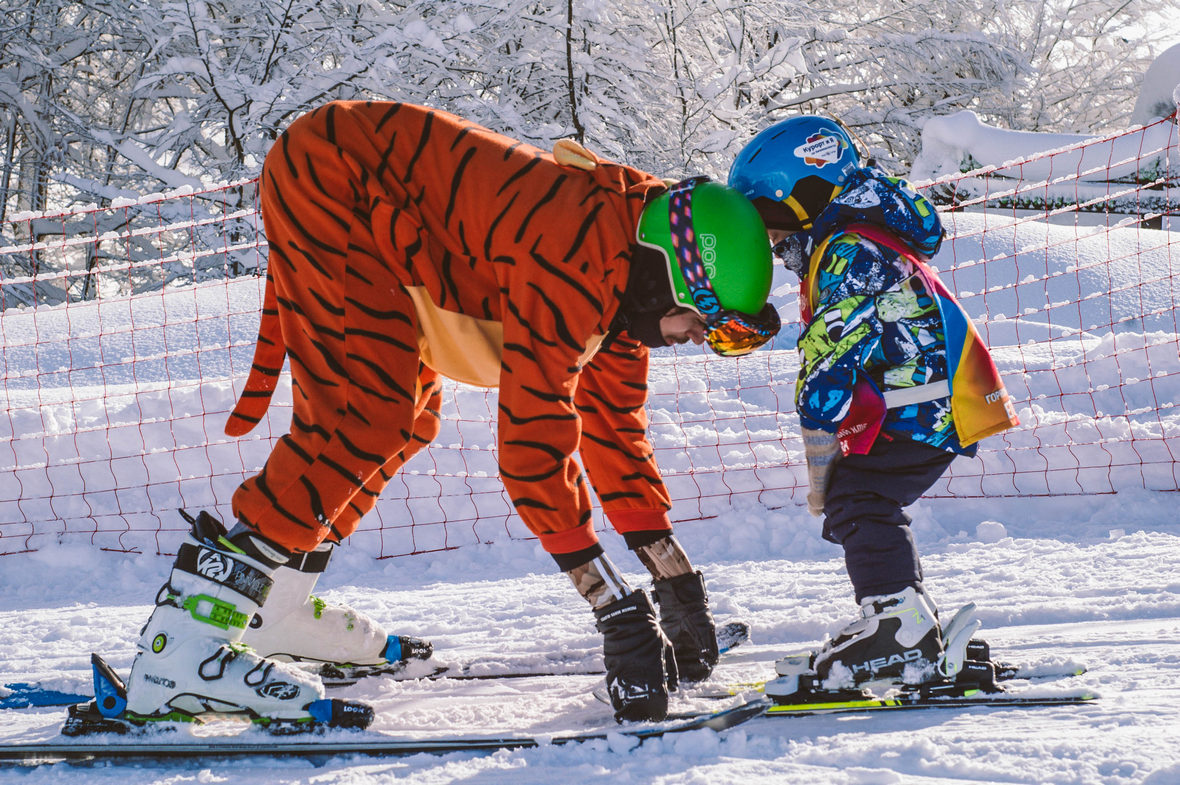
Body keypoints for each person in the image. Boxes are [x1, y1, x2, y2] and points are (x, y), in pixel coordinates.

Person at [121, 100, 780, 727]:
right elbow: (532, 452)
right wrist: (617, 611)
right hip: (336, 177)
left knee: (406, 419)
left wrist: (675, 580)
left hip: (404, 231)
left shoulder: (624, 281)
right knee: (362, 416)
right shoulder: (572, 256)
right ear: (668, 273)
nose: (695, 338)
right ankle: (183, 642)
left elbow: (615, 437)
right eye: (701, 320)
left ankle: (276, 603)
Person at [728, 116, 1019, 687]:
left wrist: (817, 418)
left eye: (769, 217)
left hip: (930, 401)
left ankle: (898, 628)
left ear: (804, 196)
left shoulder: (851, 252)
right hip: (920, 399)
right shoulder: (847, 240)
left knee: (859, 498)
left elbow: (833, 352)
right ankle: (906, 620)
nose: (769, 238)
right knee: (862, 498)